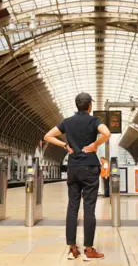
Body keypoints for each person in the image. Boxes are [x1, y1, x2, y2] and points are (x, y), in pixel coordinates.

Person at [44, 92, 111, 261]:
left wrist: (65, 145)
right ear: (89, 106)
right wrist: (94, 145)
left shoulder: (68, 122)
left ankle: (72, 249)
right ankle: (89, 249)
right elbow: (107, 133)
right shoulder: (94, 120)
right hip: (89, 167)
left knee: (72, 208)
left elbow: (48, 136)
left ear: (77, 106)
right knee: (89, 208)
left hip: (73, 167)